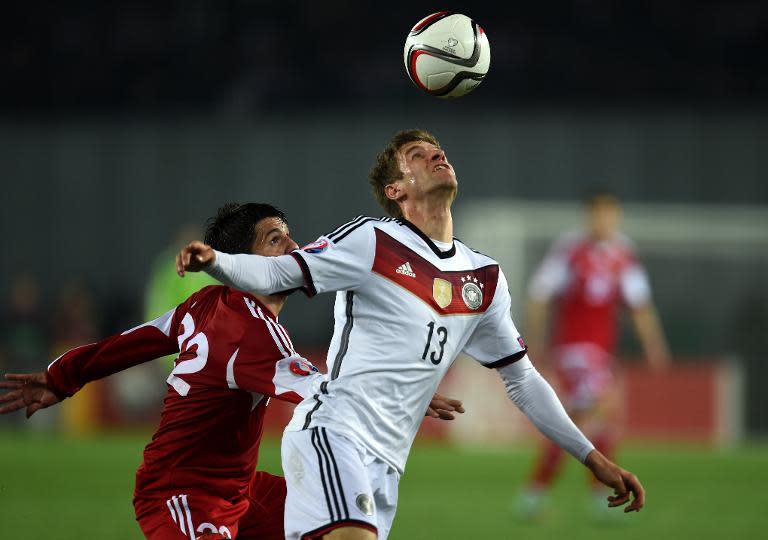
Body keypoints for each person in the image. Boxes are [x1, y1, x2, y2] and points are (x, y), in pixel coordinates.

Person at [177, 130, 646, 540]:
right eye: (418, 155)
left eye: (438, 151)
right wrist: (218, 263)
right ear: (395, 189)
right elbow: (280, 272)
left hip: (388, 465)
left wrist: (593, 458)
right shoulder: (372, 241)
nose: (436, 156)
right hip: (334, 432)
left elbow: (523, 382)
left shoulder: (483, 279)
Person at [1, 202, 464, 540]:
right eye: (275, 239)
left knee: (335, 513)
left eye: (289, 235)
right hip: (182, 493)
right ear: (245, 263)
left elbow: (134, 342)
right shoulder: (251, 335)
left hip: (239, 490)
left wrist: (62, 377)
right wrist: (412, 397)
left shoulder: (207, 304)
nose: (294, 248)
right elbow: (323, 393)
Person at [519, 192, 669, 517]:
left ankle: (536, 493)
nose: (603, 221)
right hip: (574, 350)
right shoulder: (570, 252)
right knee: (598, 412)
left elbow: (640, 306)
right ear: (588, 217)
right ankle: (597, 497)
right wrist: (535, 339)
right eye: (597, 215)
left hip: (601, 352)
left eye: (609, 215)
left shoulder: (623, 255)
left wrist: (653, 345)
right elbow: (539, 295)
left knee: (582, 423)